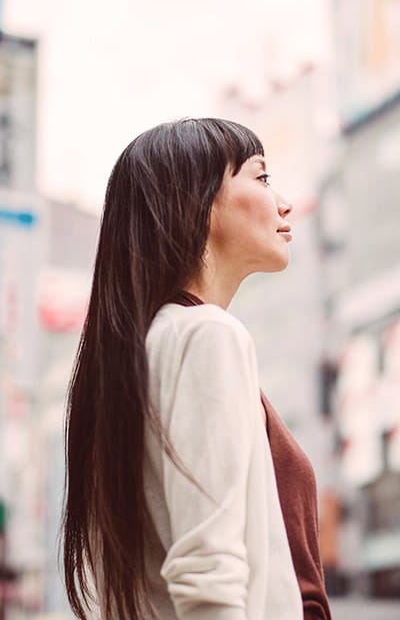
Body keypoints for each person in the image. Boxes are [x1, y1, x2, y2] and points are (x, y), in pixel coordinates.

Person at [62, 119, 331, 620]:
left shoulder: (133, 356)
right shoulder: (207, 335)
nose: (284, 203)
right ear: (199, 202)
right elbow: (209, 573)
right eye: (262, 178)